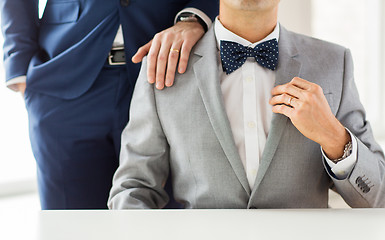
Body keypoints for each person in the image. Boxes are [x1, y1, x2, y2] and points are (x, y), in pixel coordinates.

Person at [108, 0, 385, 209]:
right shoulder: (163, 67)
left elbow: (378, 196)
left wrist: (333, 137)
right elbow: (133, 190)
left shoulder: (335, 63)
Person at [0, 0, 218, 209]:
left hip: (166, 74)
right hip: (64, 80)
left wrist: (194, 17)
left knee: (168, 223)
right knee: (71, 229)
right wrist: (18, 66)